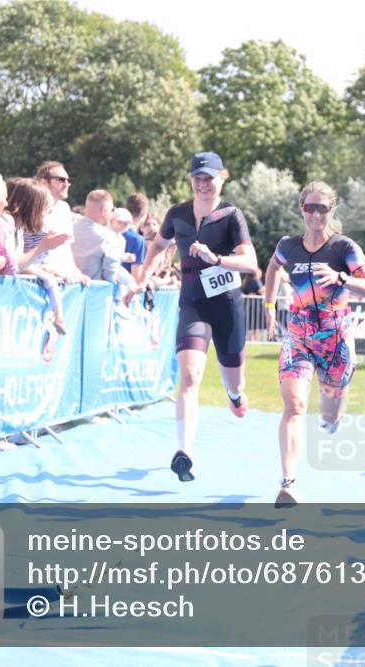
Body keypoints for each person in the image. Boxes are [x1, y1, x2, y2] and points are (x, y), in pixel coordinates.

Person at [135, 152, 258, 483]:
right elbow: (159, 244)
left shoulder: (232, 216)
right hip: (193, 304)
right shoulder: (177, 214)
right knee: (189, 376)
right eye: (197, 178)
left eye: (210, 178)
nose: (203, 184)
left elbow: (250, 263)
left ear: (222, 178)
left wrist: (216, 258)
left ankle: (234, 394)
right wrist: (144, 276)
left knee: (235, 382)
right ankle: (184, 452)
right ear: (191, 180)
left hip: (227, 306)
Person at [263, 181, 365, 507]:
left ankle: (333, 418)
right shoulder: (288, 245)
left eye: (323, 208)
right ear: (302, 208)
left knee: (329, 411)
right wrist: (270, 307)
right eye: (310, 207)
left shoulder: (344, 248)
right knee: (295, 405)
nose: (315, 214)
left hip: (335, 331)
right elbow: (272, 268)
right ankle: (288, 484)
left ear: (332, 211)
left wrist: (342, 278)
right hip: (299, 330)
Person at [8, 177, 75, 334]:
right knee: (49, 279)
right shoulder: (13, 224)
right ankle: (59, 317)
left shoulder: (28, 226)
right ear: (34, 207)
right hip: (26, 269)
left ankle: (58, 317)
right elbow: (16, 263)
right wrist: (43, 247)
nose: (47, 213)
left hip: (34, 265)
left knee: (50, 275)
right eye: (46, 208)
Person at [71, 191, 133, 289]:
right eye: (112, 209)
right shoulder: (108, 237)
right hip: (96, 294)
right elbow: (110, 271)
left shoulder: (70, 229)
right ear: (104, 211)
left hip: (70, 293)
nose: (112, 213)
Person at [123, 193, 150, 280]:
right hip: (125, 290)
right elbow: (136, 278)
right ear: (143, 212)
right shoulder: (138, 240)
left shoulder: (112, 232)